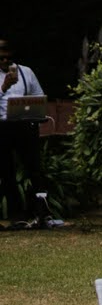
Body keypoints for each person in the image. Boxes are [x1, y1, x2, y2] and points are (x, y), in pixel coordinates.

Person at [0, 38, 55, 224]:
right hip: (2, 128)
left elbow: (38, 96)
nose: (5, 62)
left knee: (35, 170)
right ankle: (17, 215)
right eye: (1, 59)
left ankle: (40, 212)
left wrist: (35, 111)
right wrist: (4, 87)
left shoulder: (26, 72)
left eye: (8, 58)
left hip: (25, 125)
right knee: (6, 172)